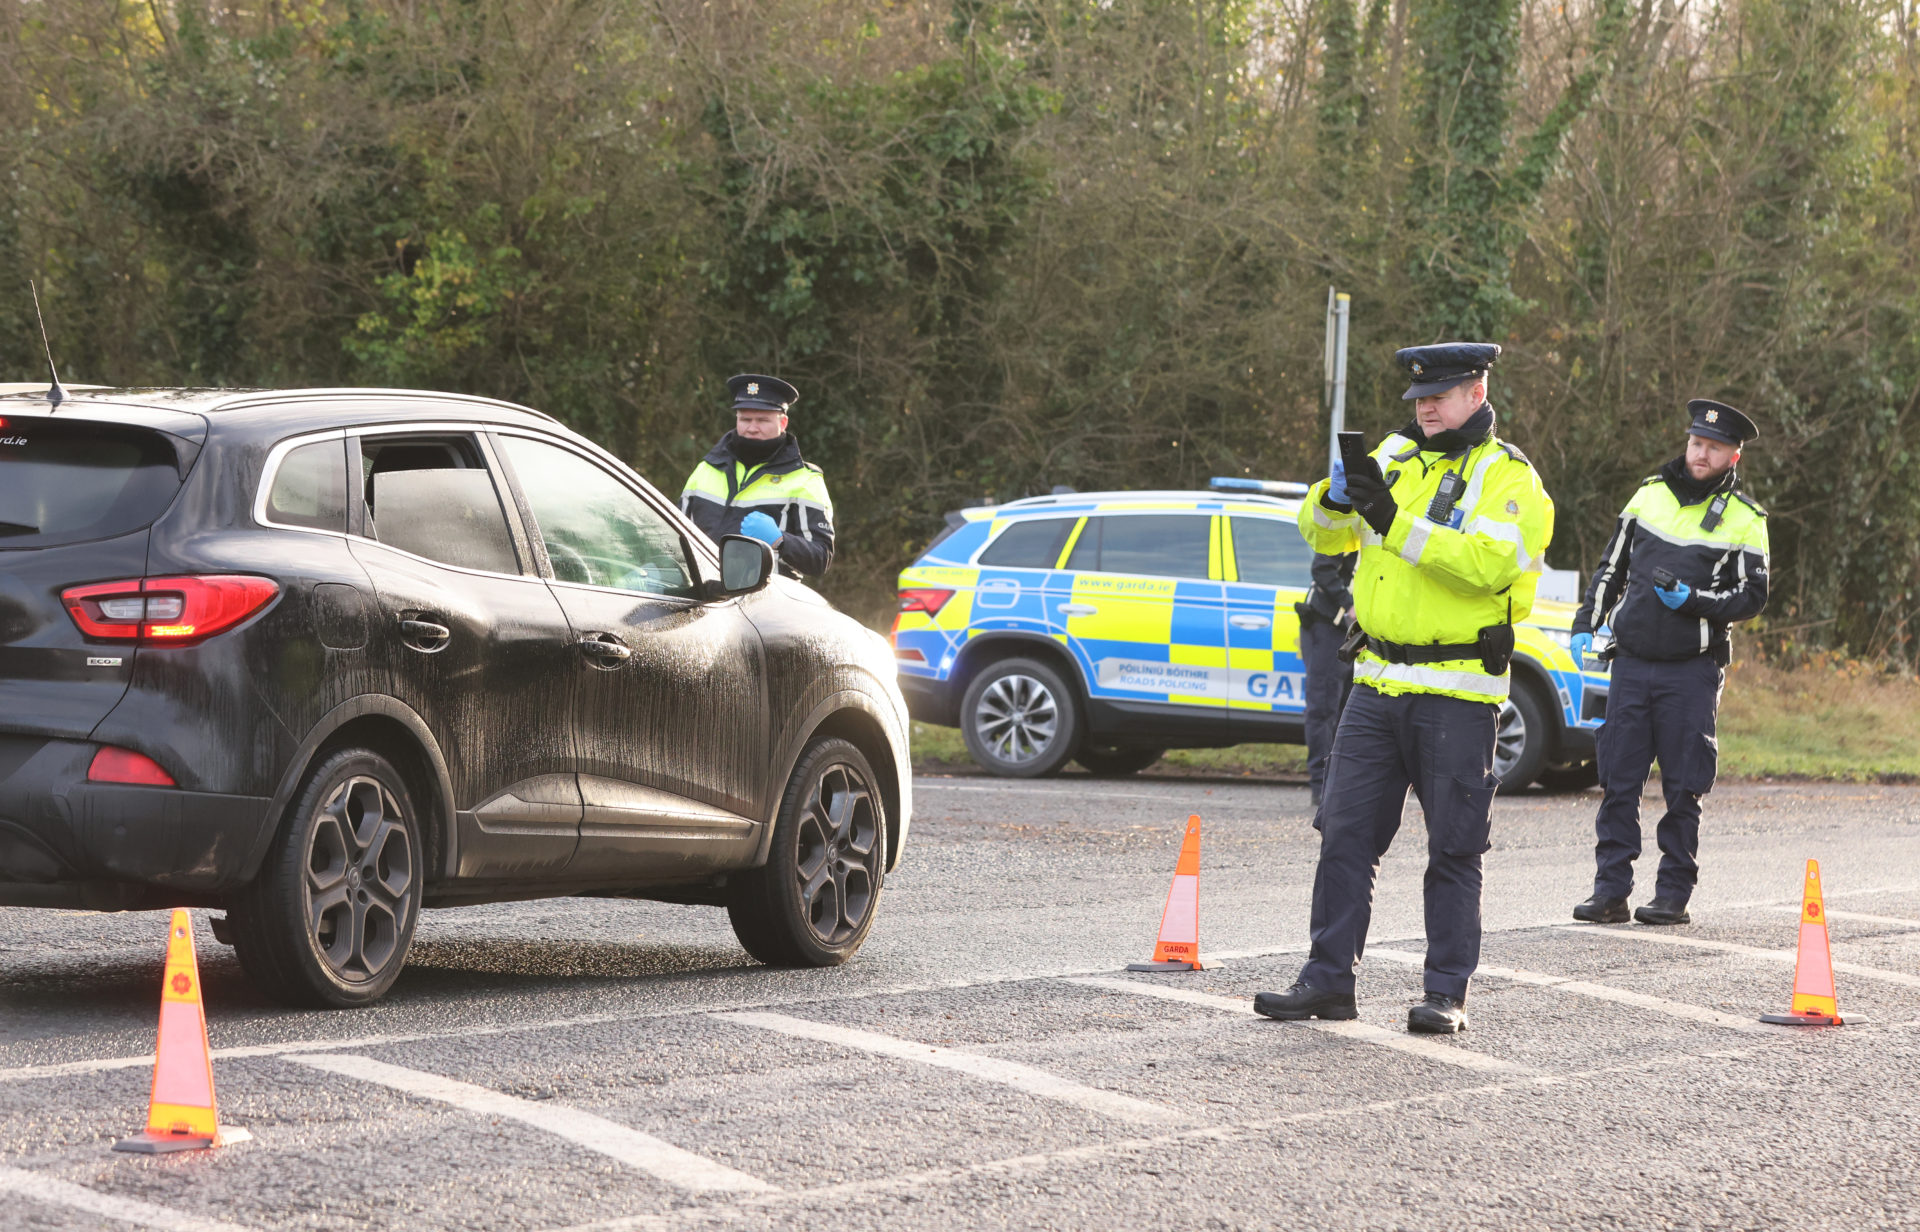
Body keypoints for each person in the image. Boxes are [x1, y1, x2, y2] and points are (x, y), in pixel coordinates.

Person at [1253, 342, 1554, 1034]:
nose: (1424, 408)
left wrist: (1394, 521)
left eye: (1439, 396)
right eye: (1419, 398)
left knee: (1453, 847)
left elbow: (1485, 564)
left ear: (1476, 394)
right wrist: (1333, 496)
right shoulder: (1392, 457)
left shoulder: (1506, 477)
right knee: (1344, 837)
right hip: (1376, 680)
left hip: (1457, 690)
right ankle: (1328, 981)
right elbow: (1322, 536)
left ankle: (1444, 994)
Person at [1569, 400, 1768, 926]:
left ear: (1734, 456)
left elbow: (1752, 597)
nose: (1701, 454)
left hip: (1691, 670)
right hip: (1632, 662)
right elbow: (1611, 567)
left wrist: (1695, 600)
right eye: (1696, 443)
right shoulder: (1648, 495)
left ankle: (1672, 894)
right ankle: (1610, 890)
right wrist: (1586, 623)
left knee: (1683, 786)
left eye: (1714, 448)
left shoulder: (1747, 521)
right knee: (1618, 779)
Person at [680, 374, 835, 579]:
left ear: (784, 422)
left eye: (762, 420)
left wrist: (780, 541)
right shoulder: (705, 469)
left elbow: (821, 559)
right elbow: (674, 536)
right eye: (745, 419)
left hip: (764, 604)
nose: (752, 428)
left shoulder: (805, 480)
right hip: (703, 597)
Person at [1297, 550, 1356, 808]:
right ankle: (1321, 786)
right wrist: (1349, 601)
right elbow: (1322, 568)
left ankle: (1340, 784)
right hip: (1326, 625)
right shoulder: (1347, 520)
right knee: (1323, 709)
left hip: (1354, 630)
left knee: (1348, 712)